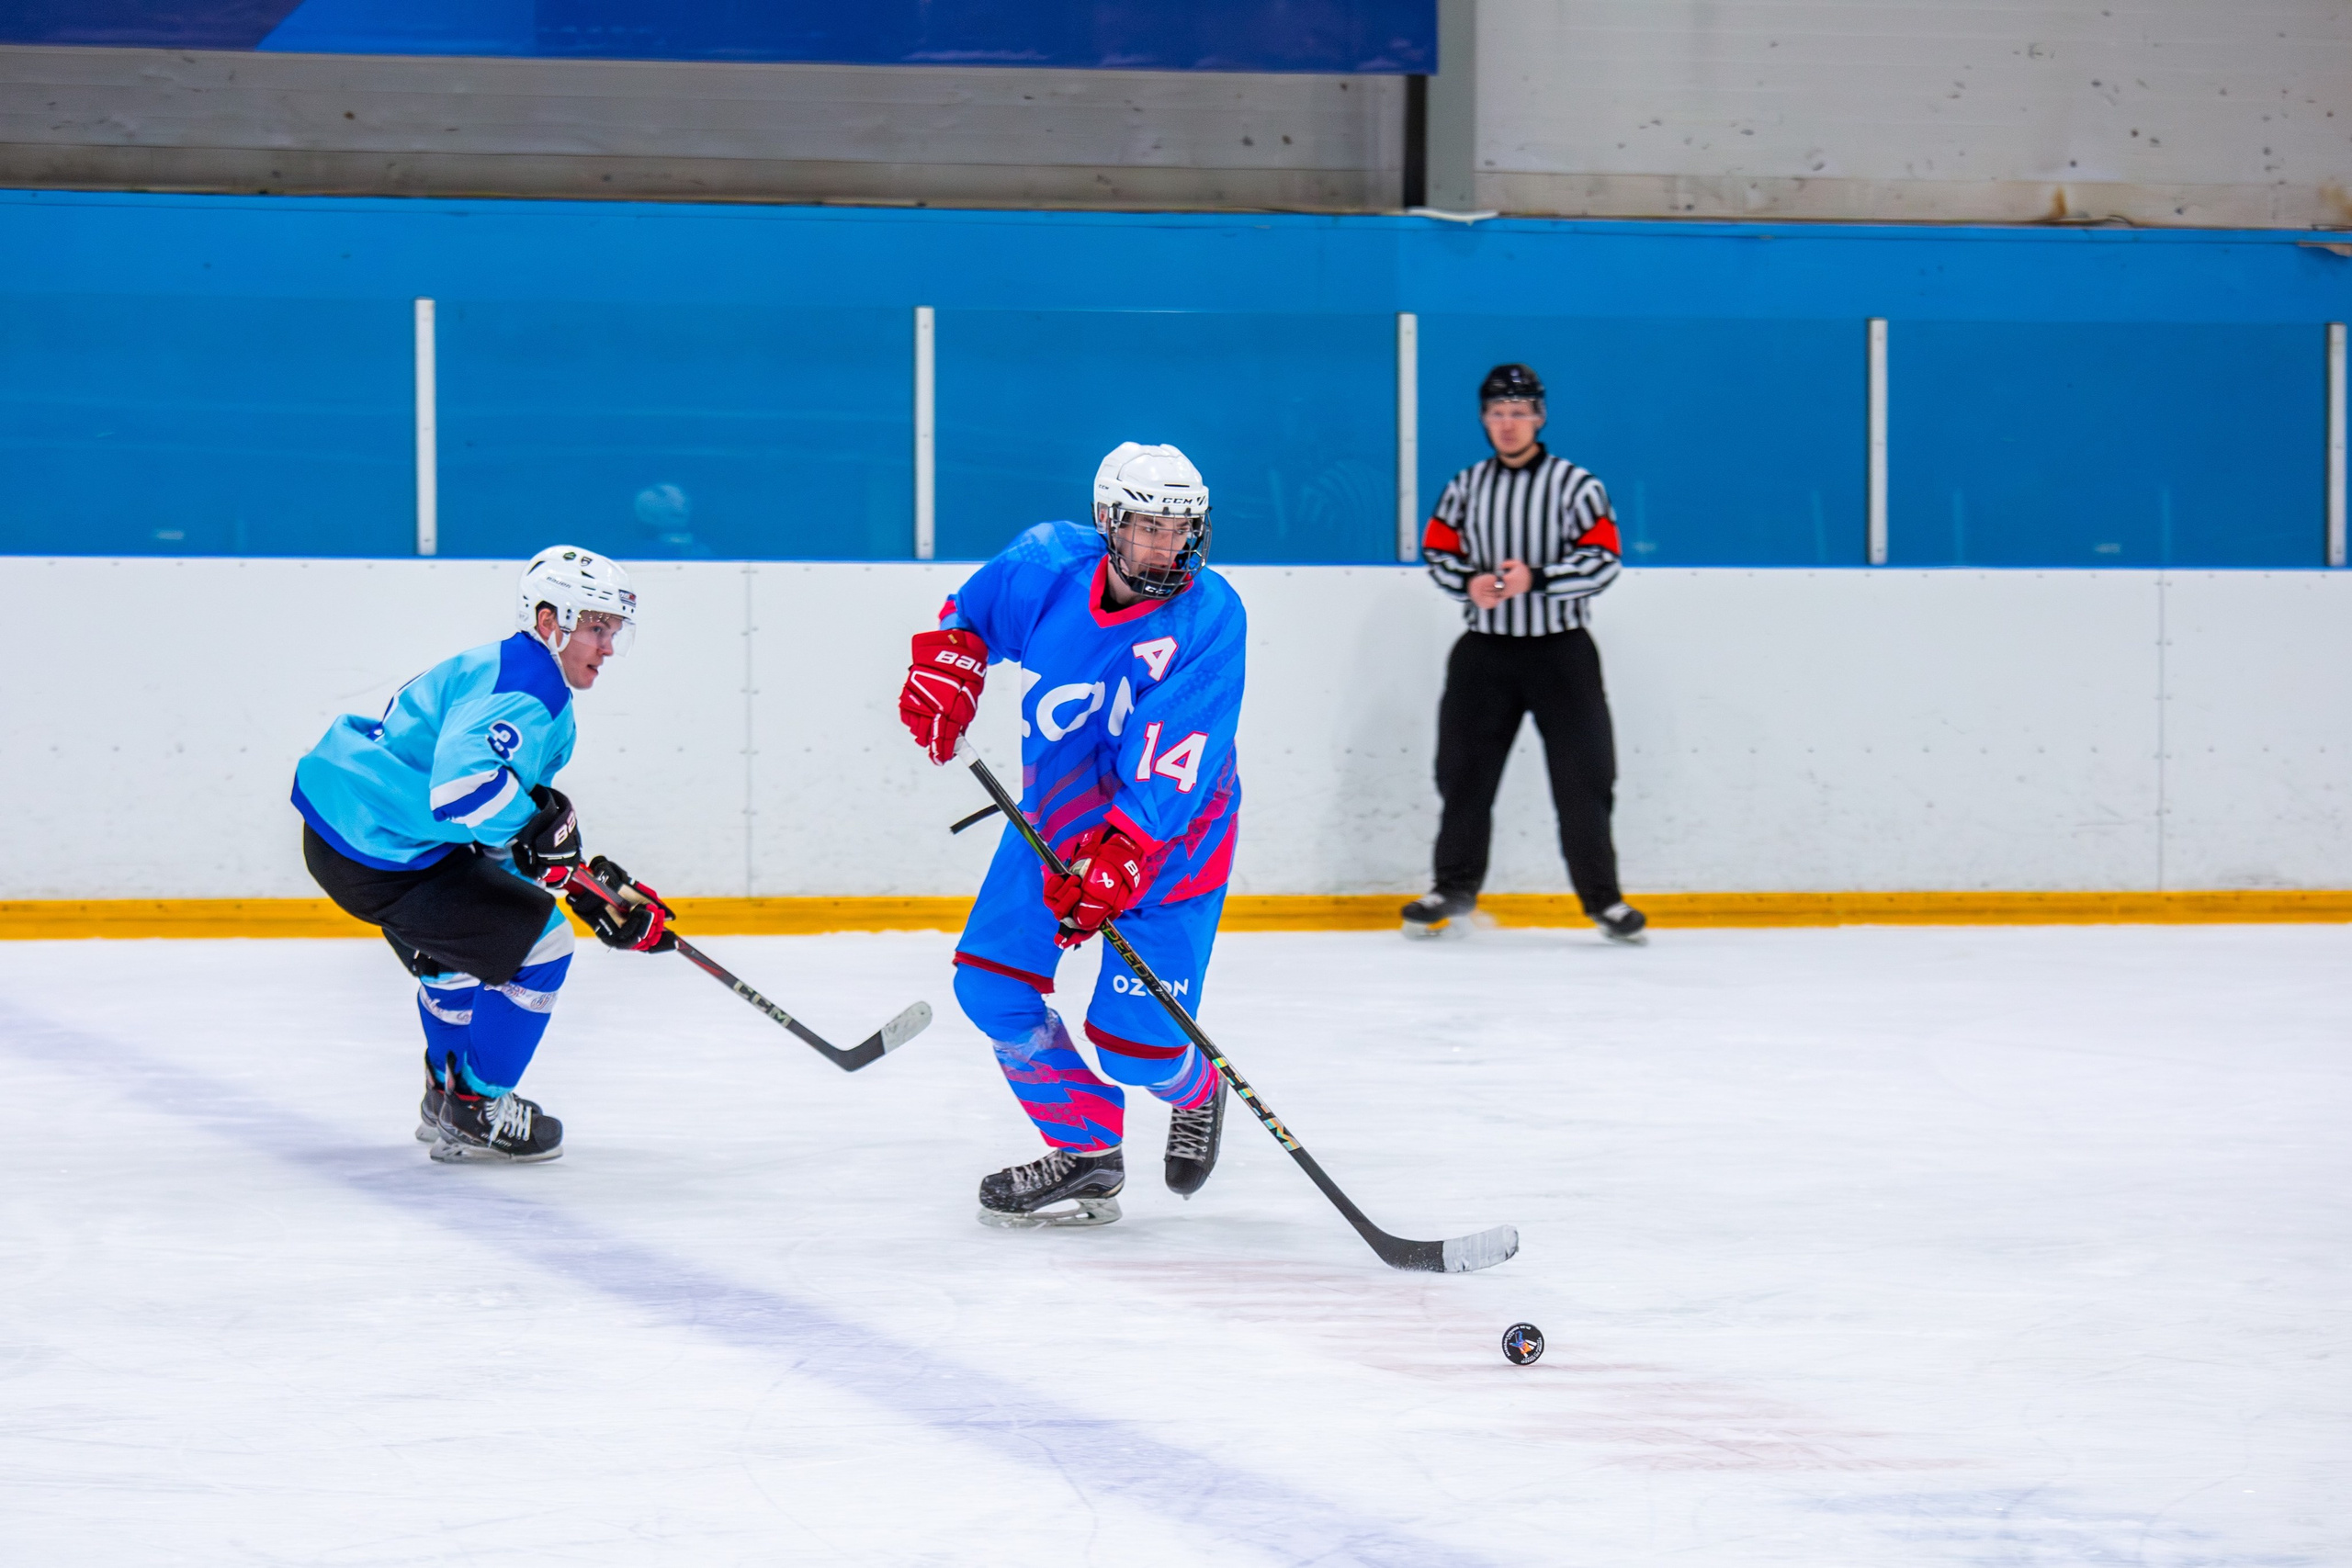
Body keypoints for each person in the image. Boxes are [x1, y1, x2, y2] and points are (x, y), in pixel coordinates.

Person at [898, 442, 1245, 1229]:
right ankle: (1087, 1149)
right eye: (1149, 527)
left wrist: (1121, 856)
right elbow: (971, 616)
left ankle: (1193, 1084)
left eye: (1181, 529)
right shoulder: (1048, 561)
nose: (1168, 546)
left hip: (1170, 844)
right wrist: (953, 660)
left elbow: (1174, 766)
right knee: (988, 986)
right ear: (1108, 522)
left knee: (1136, 1050)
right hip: (1055, 823)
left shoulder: (1211, 615)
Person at [291, 546, 679, 1162]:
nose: (607, 646)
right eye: (596, 626)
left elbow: (493, 831)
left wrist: (585, 886)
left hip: (355, 834)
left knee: (461, 950)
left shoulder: (513, 671)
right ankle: (477, 1106)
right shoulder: (529, 684)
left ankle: (444, 1096)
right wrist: (540, 841)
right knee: (542, 945)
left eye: (613, 631)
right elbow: (461, 790)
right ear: (550, 620)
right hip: (387, 846)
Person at [1407, 363, 1648, 944]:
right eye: (1497, 413)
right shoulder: (1467, 485)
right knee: (1463, 777)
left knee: (1585, 779)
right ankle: (1452, 889)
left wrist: (1532, 579)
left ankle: (1604, 901)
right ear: (1484, 420)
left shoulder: (1576, 485)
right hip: (1484, 655)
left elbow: (1603, 560)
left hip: (1561, 654)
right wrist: (1468, 581)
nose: (1508, 424)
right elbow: (1438, 549)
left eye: (1519, 413)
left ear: (1539, 417)